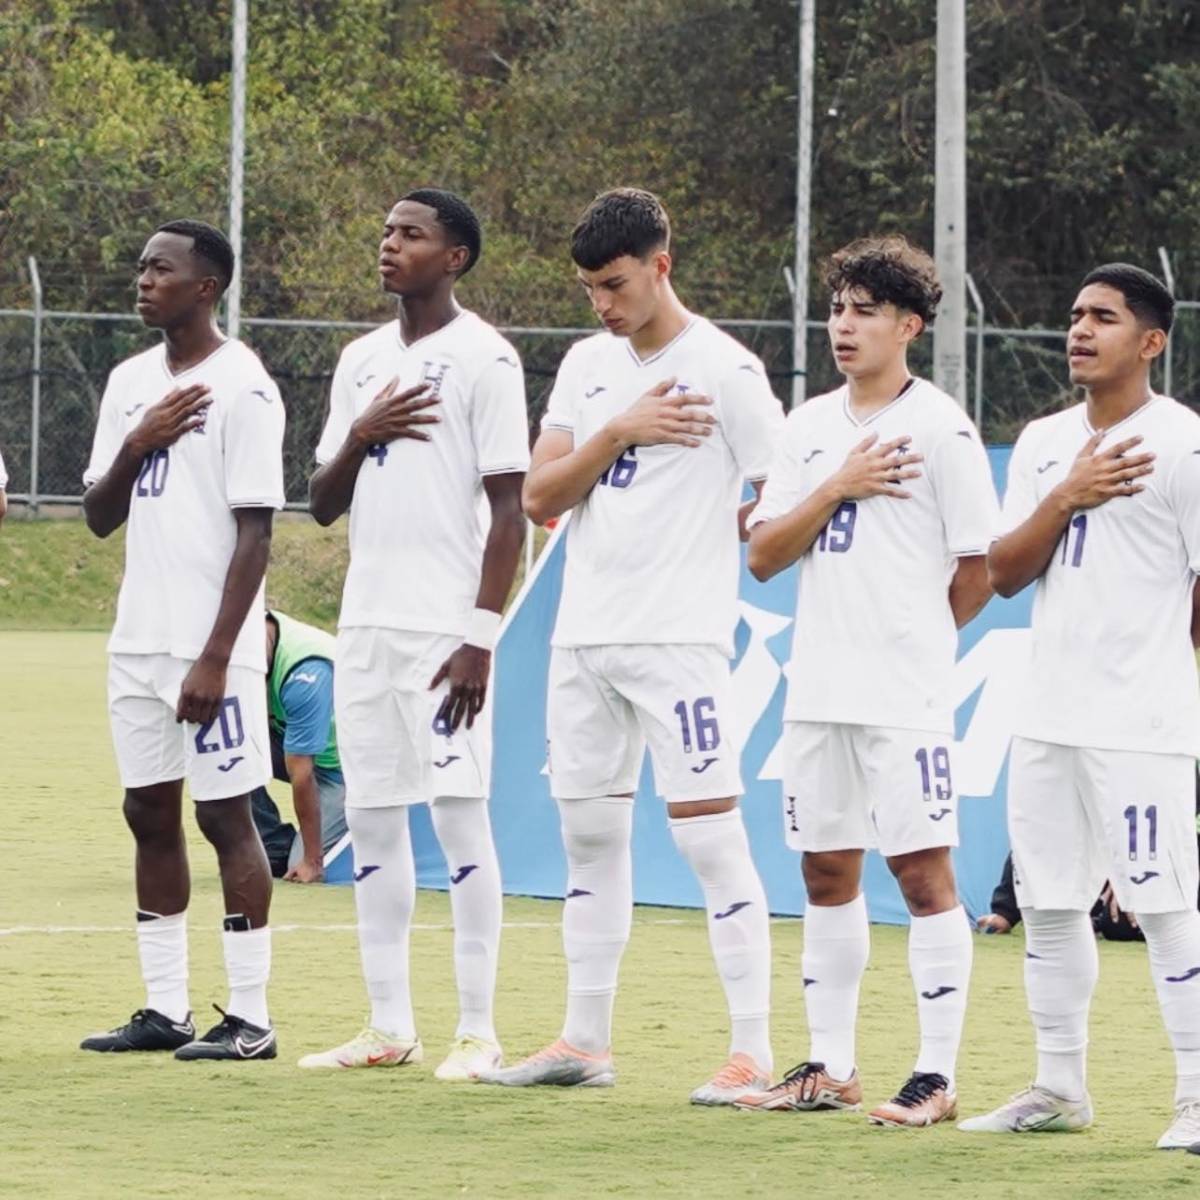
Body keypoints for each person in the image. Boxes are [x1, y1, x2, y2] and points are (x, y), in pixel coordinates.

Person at [477, 187, 784, 1105]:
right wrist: (619, 430)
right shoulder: (587, 365)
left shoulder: (728, 371)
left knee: (710, 841)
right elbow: (540, 495)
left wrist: (729, 528)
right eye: (589, 289)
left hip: (679, 641)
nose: (602, 304)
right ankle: (585, 1040)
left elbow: (778, 493)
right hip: (583, 639)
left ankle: (753, 1051)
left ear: (662, 265)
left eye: (614, 284)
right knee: (588, 838)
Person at [737, 236, 998, 1127]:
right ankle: (832, 1065)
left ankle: (935, 1075)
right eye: (837, 309)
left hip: (905, 698)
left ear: (910, 327)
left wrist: (916, 646)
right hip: (817, 691)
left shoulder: (942, 429)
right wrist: (837, 486)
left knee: (922, 875)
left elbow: (979, 568)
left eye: (866, 311)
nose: (844, 326)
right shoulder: (809, 427)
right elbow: (764, 555)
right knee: (824, 871)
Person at [960, 265, 1200, 1149]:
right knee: (1051, 905)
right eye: (1074, 316)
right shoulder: (1042, 442)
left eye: (1103, 317)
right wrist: (1067, 494)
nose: (1080, 330)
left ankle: (1196, 1096)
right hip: (1048, 716)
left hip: (1142, 724)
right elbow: (1004, 572)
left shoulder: (1183, 444)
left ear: (1151, 341)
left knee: (1165, 907)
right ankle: (1059, 1087)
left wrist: (1164, 676)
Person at [299, 189, 528, 1081]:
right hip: (365, 625)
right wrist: (361, 434)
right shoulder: (360, 360)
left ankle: (478, 1030)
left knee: (459, 818)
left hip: (444, 633)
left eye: (410, 234)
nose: (389, 245)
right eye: (386, 231)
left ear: (454, 257)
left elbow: (508, 512)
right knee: (372, 818)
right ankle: (388, 1026)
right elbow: (321, 503)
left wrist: (479, 636)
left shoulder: (486, 358)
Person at [78, 220, 285, 1061]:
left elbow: (257, 534)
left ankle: (252, 1020)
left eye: (160, 269)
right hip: (139, 638)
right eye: (140, 266)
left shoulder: (245, 386)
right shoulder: (129, 382)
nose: (143, 279)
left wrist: (217, 656)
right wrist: (139, 441)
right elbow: (98, 515)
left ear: (207, 287)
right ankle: (166, 1009)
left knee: (224, 815)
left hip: (212, 649)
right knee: (147, 811)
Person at [249, 609, 348, 882]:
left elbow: (302, 774)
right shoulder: (251, 643)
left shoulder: (305, 673)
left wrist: (311, 860)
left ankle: (364, 823)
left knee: (299, 862)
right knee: (227, 750)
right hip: (295, 744)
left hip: (345, 771)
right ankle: (275, 845)